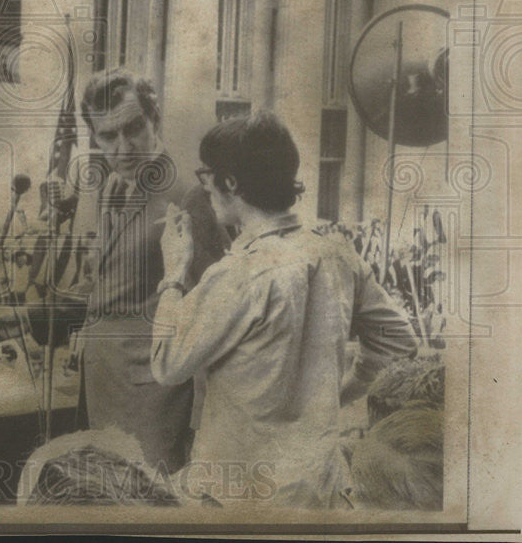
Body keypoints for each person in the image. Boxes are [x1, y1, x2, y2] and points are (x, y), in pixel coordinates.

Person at [152, 111, 419, 507]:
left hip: (241, 495)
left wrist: (173, 273)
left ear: (230, 182)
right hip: (320, 487)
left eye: (207, 176)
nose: (204, 188)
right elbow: (398, 343)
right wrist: (336, 395)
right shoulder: (337, 253)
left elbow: (166, 363)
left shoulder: (237, 273)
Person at [73, 69, 226, 473]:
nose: (123, 148)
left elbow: (212, 308)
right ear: (95, 138)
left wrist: (200, 424)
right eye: (108, 136)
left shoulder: (188, 194)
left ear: (154, 119)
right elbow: (109, 287)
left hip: (156, 407)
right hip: (105, 391)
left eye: (134, 128)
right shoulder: (110, 188)